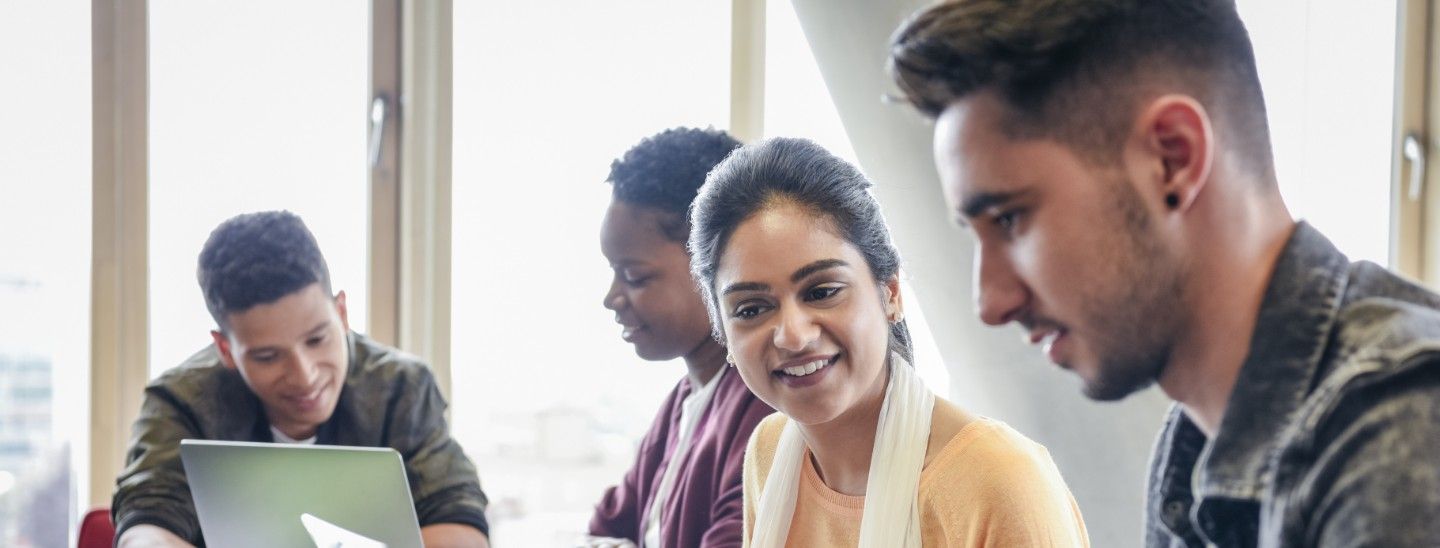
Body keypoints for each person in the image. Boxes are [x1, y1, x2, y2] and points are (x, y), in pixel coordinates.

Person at [889, 1, 1440, 545]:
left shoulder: (1397, 433)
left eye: (1010, 219)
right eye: (975, 233)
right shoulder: (1191, 439)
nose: (990, 302)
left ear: (1172, 159)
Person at [688, 137, 1089, 547]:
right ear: (723, 331)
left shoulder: (996, 480)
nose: (793, 336)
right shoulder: (768, 451)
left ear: (891, 294)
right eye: (751, 309)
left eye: (822, 291)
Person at [113, 211, 490, 548]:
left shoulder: (402, 389)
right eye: (267, 356)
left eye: (317, 339)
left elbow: (461, 525)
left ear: (341, 312)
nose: (304, 375)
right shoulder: (181, 401)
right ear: (226, 350)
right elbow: (147, 524)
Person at [586, 128, 775, 548]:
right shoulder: (680, 404)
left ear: (715, 260)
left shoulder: (769, 407)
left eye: (635, 275)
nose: (612, 298)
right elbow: (605, 530)